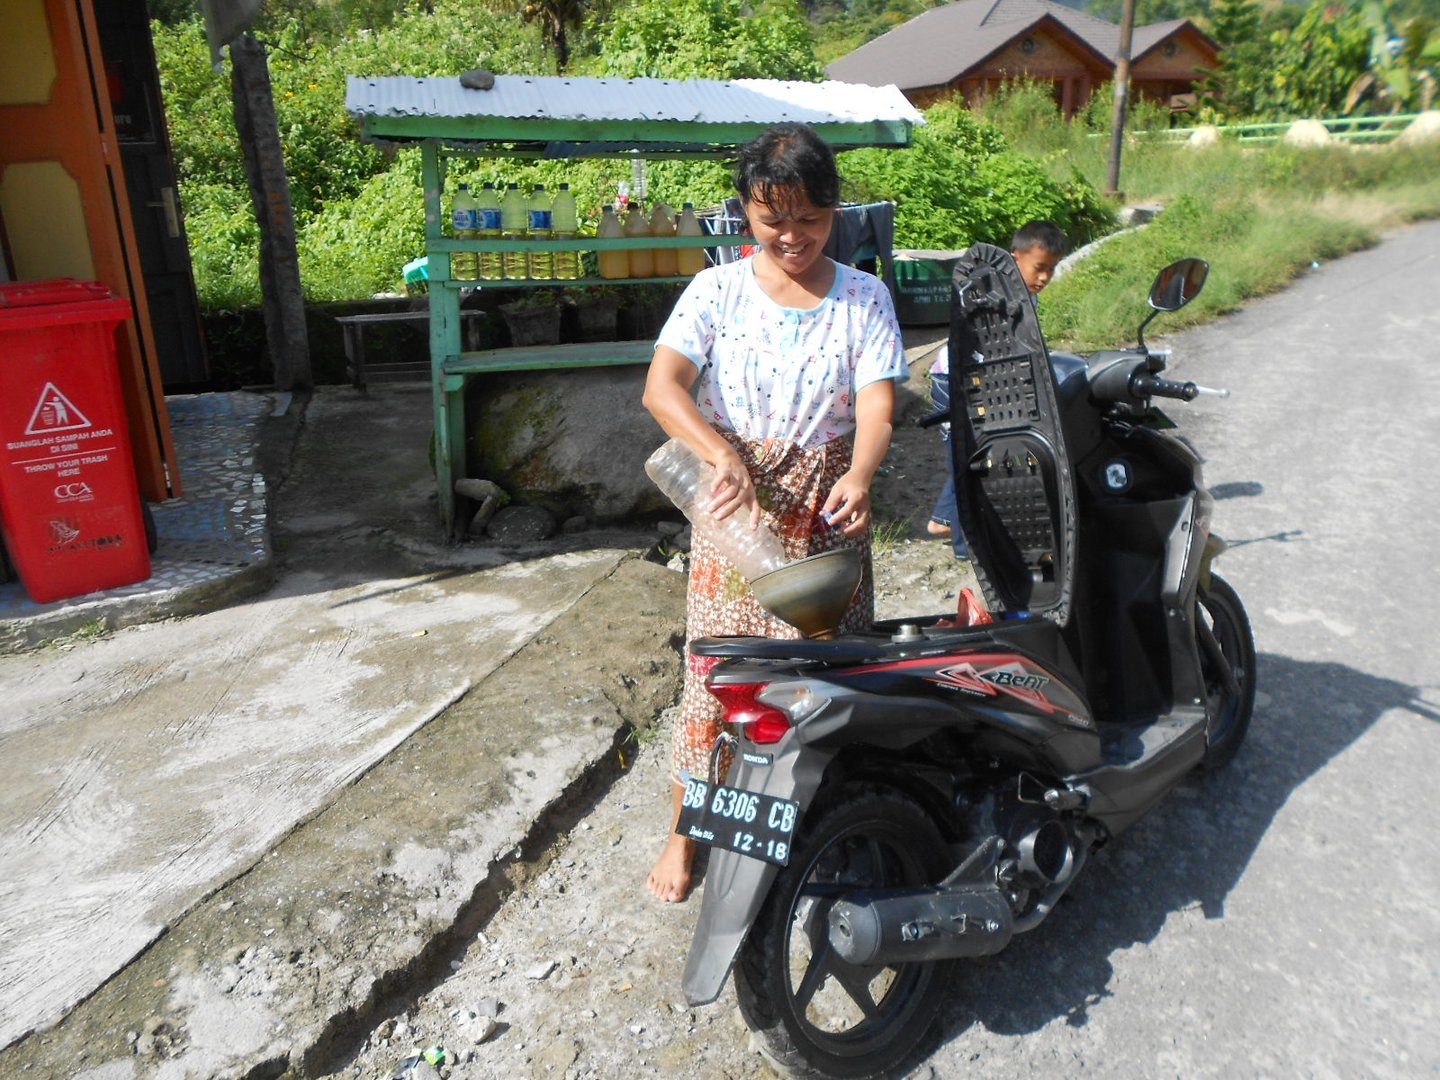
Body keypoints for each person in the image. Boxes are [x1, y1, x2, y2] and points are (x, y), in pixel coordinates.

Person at [641, 123, 908, 903]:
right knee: (718, 680)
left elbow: (878, 402)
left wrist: (860, 473)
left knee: (827, 680)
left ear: (836, 210)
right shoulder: (716, 291)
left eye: (811, 220)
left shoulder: (865, 296)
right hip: (735, 518)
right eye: (773, 220)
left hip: (828, 517)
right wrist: (720, 454)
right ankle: (686, 834)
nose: (793, 237)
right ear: (746, 213)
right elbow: (663, 389)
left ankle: (827, 824)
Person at [926, 220, 1069, 547]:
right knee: (967, 456)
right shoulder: (995, 289)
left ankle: (945, 521)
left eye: (1053, 269)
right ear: (1014, 257)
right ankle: (962, 540)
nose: (1045, 277)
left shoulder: (1025, 294)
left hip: (984, 381)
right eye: (1040, 267)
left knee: (977, 452)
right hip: (955, 381)